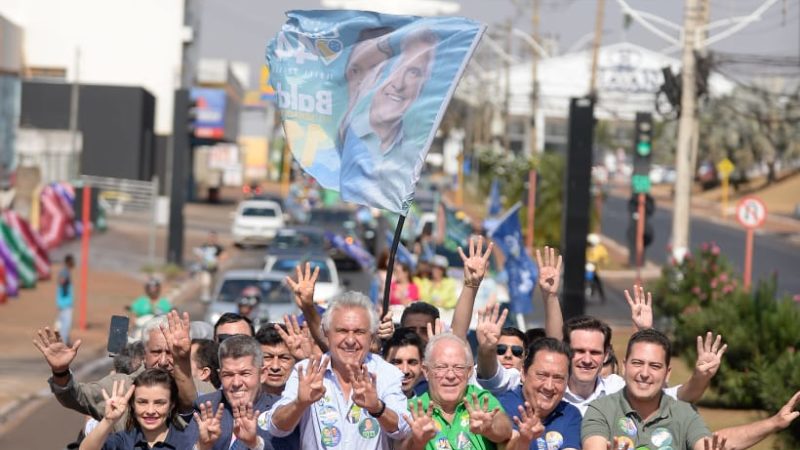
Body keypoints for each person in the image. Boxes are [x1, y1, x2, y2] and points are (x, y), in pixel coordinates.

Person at [582, 329, 800, 449]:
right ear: (625, 364)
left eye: (655, 366)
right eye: (638, 363)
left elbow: (709, 444)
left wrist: (775, 423)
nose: (645, 373)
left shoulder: (683, 412)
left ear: (667, 373)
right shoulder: (601, 410)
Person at [267, 291, 411, 449]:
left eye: (359, 332)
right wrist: (299, 404)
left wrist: (377, 408)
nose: (350, 340)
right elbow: (276, 427)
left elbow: (404, 428)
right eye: (342, 331)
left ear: (371, 336)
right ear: (326, 333)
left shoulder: (387, 373)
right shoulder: (306, 371)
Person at [35, 311, 197, 432]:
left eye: (170, 353)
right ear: (143, 353)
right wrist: (60, 371)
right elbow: (75, 397)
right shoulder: (120, 386)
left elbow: (190, 403)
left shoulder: (193, 387)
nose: (162, 361)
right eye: (156, 352)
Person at [340, 28, 438, 210]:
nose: (399, 83)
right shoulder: (342, 138)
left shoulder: (413, 154)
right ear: (376, 73)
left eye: (413, 72)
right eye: (394, 68)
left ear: (424, 82)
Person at [399, 333, 512, 450]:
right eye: (441, 367)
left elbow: (506, 430)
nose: (450, 375)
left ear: (469, 372)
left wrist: (490, 429)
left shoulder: (479, 399)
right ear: (426, 371)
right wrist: (417, 442)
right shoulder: (413, 409)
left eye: (458, 367)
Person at [194, 334, 298, 450]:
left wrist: (255, 444)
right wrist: (202, 446)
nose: (236, 383)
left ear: (262, 374)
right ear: (219, 376)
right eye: (228, 375)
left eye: (245, 374)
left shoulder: (281, 412)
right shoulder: (205, 407)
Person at [79, 369, 197, 449]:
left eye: (159, 403)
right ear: (133, 404)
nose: (150, 411)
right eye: (142, 402)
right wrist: (109, 420)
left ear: (172, 404)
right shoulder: (123, 441)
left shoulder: (188, 441)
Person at [499, 338, 582, 450]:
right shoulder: (503, 406)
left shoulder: (570, 415)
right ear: (523, 373)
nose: (549, 386)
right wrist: (524, 441)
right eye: (542, 375)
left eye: (558, 378)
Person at [382, 328, 426, 399]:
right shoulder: (365, 406)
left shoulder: (428, 407)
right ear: (383, 363)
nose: (405, 370)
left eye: (412, 362)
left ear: (422, 365)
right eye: (397, 362)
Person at [196, 231, 225, 302]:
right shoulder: (204, 246)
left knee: (214, 283)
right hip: (205, 268)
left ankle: (213, 296)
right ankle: (205, 296)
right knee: (205, 282)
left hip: (214, 269)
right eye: (210, 237)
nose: (211, 239)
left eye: (213, 237)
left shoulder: (218, 247)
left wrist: (217, 260)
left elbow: (224, 255)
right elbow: (199, 255)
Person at [56, 254, 75, 345]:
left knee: (62, 323)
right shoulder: (65, 272)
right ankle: (63, 342)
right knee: (66, 324)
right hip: (65, 303)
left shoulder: (64, 271)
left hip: (62, 302)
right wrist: (63, 281)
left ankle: (64, 341)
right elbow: (61, 281)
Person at [585, 234, 608, 303]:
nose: (589, 244)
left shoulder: (600, 249)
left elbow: (605, 258)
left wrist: (600, 262)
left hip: (595, 269)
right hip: (587, 268)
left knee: (598, 283)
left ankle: (602, 297)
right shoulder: (588, 248)